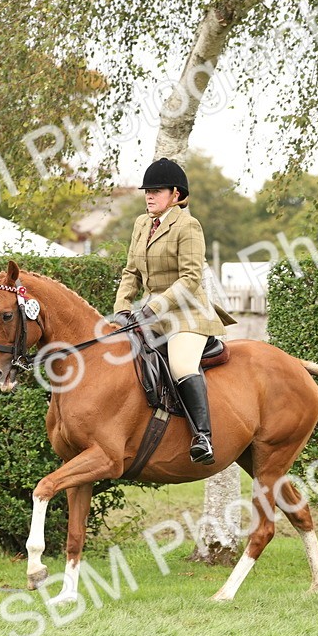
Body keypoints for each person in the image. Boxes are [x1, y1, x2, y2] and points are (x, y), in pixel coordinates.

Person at [113, 157, 237, 464]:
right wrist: (122, 307)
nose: (149, 196)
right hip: (150, 314)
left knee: (181, 365)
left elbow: (190, 278)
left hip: (188, 315)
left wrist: (153, 307)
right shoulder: (141, 224)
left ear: (176, 195)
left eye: (157, 190)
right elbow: (131, 272)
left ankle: (203, 438)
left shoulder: (188, 225)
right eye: (147, 191)